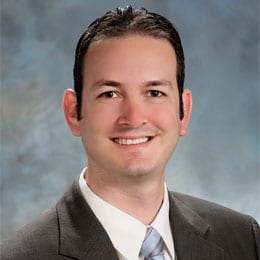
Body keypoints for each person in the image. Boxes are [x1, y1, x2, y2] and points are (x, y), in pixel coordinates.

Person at [1, 5, 259, 260]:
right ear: (73, 112)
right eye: (109, 94)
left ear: (184, 111)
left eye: (155, 92)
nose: (134, 118)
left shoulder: (244, 239)